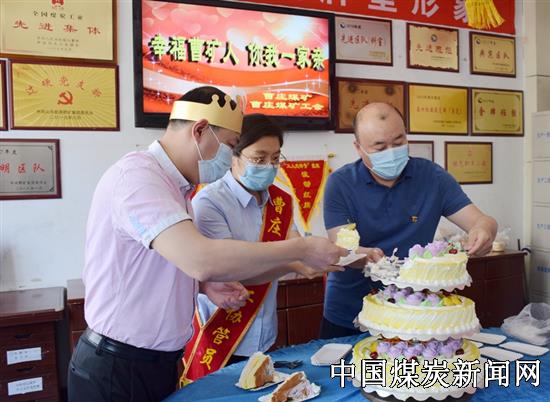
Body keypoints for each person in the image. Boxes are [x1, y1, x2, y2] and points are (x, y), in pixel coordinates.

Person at [68, 86, 347, 402]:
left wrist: (202, 285)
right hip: (119, 367)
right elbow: (201, 258)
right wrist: (301, 249)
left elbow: (165, 264)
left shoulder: (177, 187)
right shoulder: (139, 178)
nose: (229, 158)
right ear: (199, 130)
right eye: (230, 145)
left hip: (154, 363)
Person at [320, 102, 498, 339]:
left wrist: (484, 231)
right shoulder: (341, 183)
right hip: (351, 312)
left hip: (416, 313)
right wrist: (363, 256)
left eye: (398, 142)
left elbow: (482, 221)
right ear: (358, 147)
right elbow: (342, 247)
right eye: (380, 147)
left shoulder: (433, 178)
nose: (391, 152)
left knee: (413, 364)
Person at [186, 114, 338, 379]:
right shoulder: (209, 203)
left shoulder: (280, 200)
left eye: (275, 158)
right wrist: (296, 262)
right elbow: (231, 271)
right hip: (222, 332)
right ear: (233, 155)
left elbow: (294, 243)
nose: (269, 166)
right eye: (259, 159)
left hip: (265, 332)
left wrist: (315, 259)